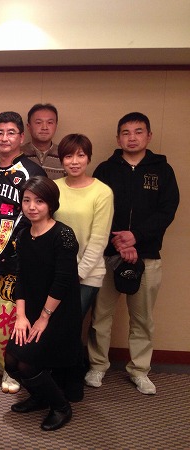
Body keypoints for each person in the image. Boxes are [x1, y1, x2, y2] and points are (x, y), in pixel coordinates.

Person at [86, 112, 179, 395]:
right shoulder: (106, 170)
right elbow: (96, 210)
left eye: (138, 132)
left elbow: (167, 211)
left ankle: (139, 370)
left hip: (147, 255)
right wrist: (119, 243)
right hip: (109, 255)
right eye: (126, 133)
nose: (132, 137)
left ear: (149, 136)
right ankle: (97, 365)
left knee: (142, 319)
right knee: (100, 316)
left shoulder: (162, 170)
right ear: (118, 138)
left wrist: (136, 237)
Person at [5, 176, 81, 431]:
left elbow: (62, 281)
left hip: (59, 312)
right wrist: (21, 316)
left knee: (26, 363)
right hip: (33, 310)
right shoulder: (24, 236)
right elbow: (21, 278)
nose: (32, 206)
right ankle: (40, 396)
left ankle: (61, 407)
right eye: (26, 200)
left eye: (39, 201)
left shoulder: (63, 235)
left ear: (51, 204)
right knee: (11, 361)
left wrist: (44, 318)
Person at [0, 111, 46, 394]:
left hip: (16, 258)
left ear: (21, 136)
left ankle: (13, 366)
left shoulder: (31, 171)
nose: (4, 138)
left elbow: (40, 214)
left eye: (10, 133)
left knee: (13, 314)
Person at [53, 134, 114, 319]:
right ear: (61, 159)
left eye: (80, 155)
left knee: (70, 323)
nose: (74, 162)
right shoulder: (53, 188)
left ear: (88, 158)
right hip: (56, 272)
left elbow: (99, 240)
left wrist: (77, 275)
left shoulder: (102, 192)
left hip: (87, 274)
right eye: (68, 156)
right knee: (51, 325)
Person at [21, 103, 65, 179]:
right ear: (28, 127)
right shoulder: (18, 154)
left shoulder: (65, 154)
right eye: (38, 122)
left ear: (56, 126)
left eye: (50, 122)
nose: (44, 127)